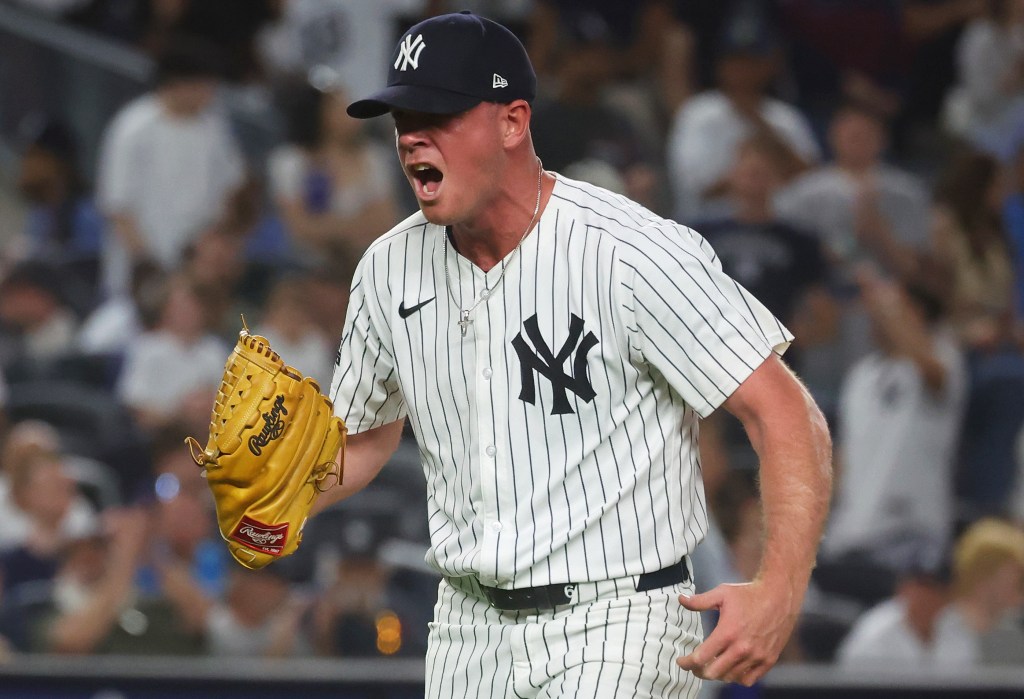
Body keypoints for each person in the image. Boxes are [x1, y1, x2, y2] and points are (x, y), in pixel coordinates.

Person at [312, 12, 831, 697]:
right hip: (467, 630)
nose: (412, 136)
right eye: (403, 116)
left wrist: (780, 586)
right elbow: (371, 433)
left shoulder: (629, 251)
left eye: (438, 114)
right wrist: (280, 494)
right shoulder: (387, 267)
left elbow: (785, 412)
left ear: (512, 121)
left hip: (617, 620)